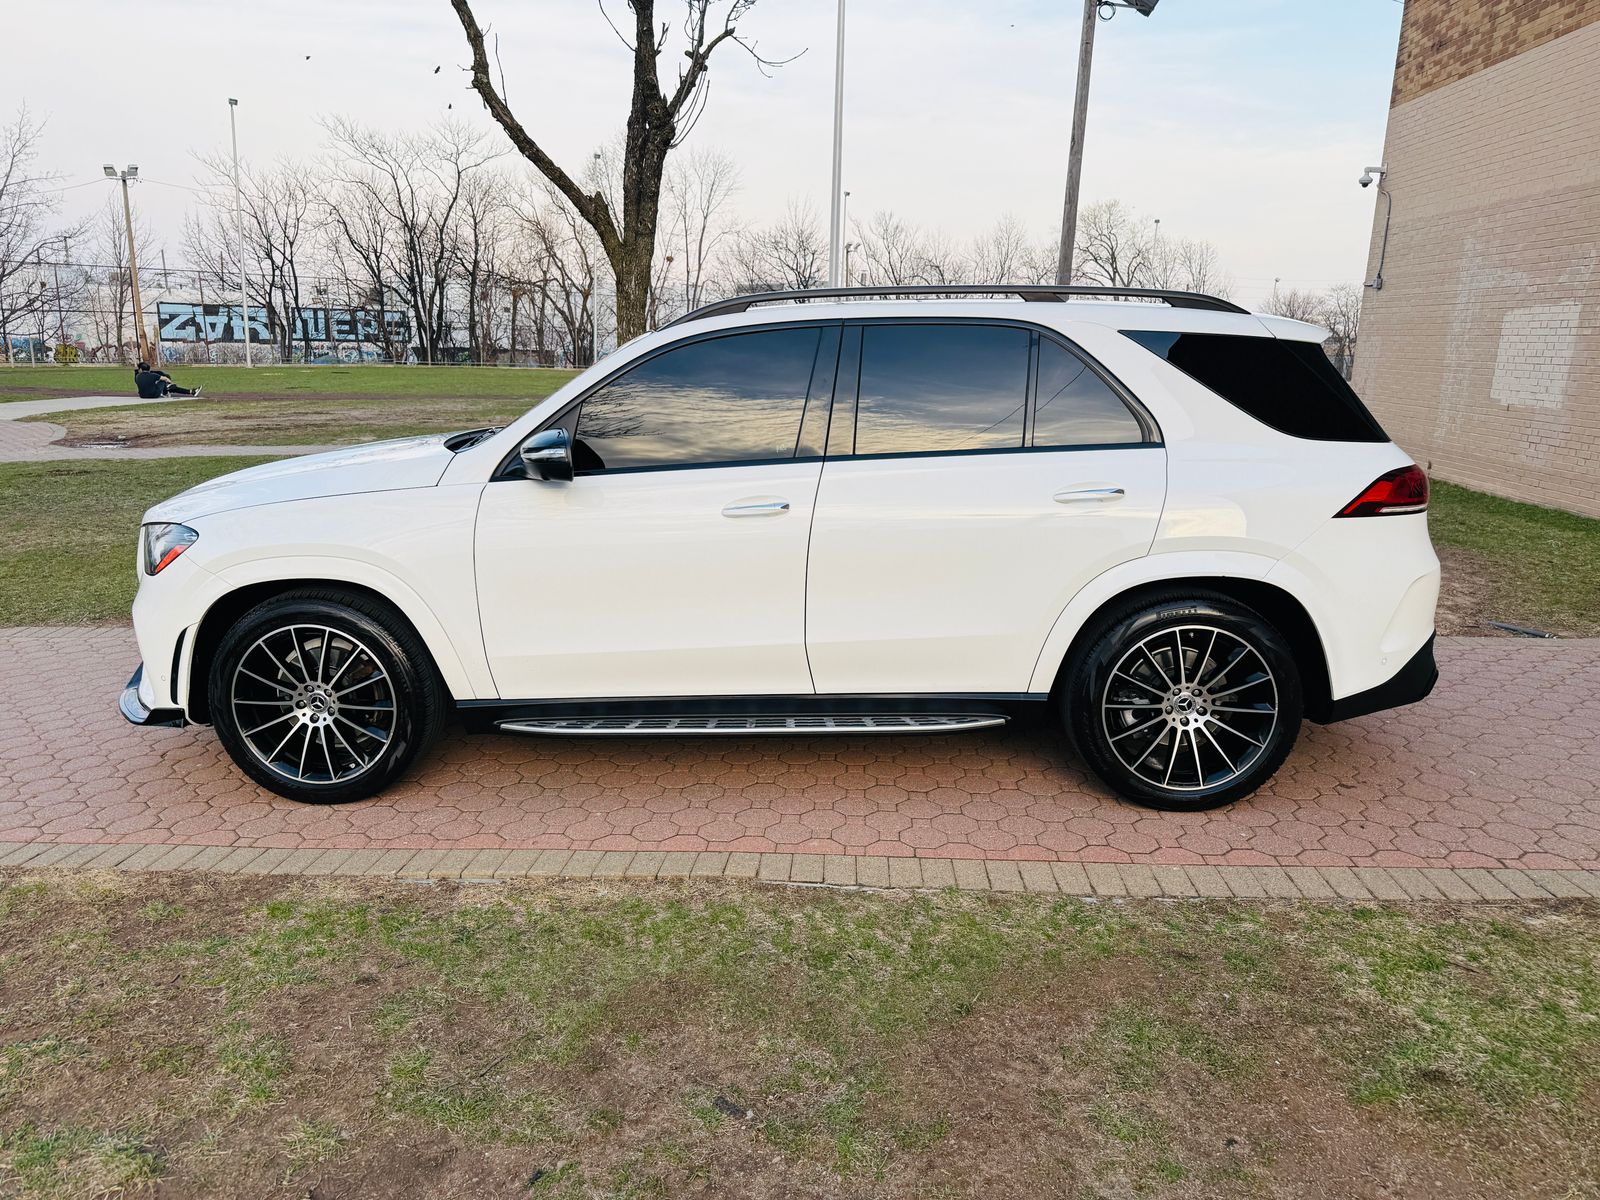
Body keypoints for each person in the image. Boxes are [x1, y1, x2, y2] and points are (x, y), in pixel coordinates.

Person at [133, 361, 202, 399]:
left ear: (141, 369)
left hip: (142, 396)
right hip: (153, 395)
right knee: (164, 382)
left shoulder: (137, 377)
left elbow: (138, 382)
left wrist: (136, 372)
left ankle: (191, 391)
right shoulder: (153, 375)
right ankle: (165, 393)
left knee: (169, 387)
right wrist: (170, 383)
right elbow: (165, 379)